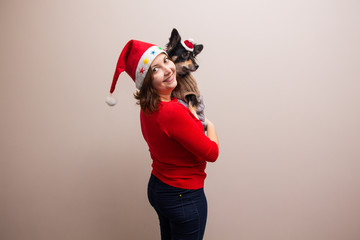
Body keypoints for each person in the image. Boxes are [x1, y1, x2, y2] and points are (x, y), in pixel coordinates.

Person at [106, 40, 219, 240]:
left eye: (166, 61)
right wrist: (209, 125)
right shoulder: (173, 112)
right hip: (183, 196)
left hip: (160, 187)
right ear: (147, 80)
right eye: (156, 69)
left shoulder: (149, 106)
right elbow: (211, 153)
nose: (168, 69)